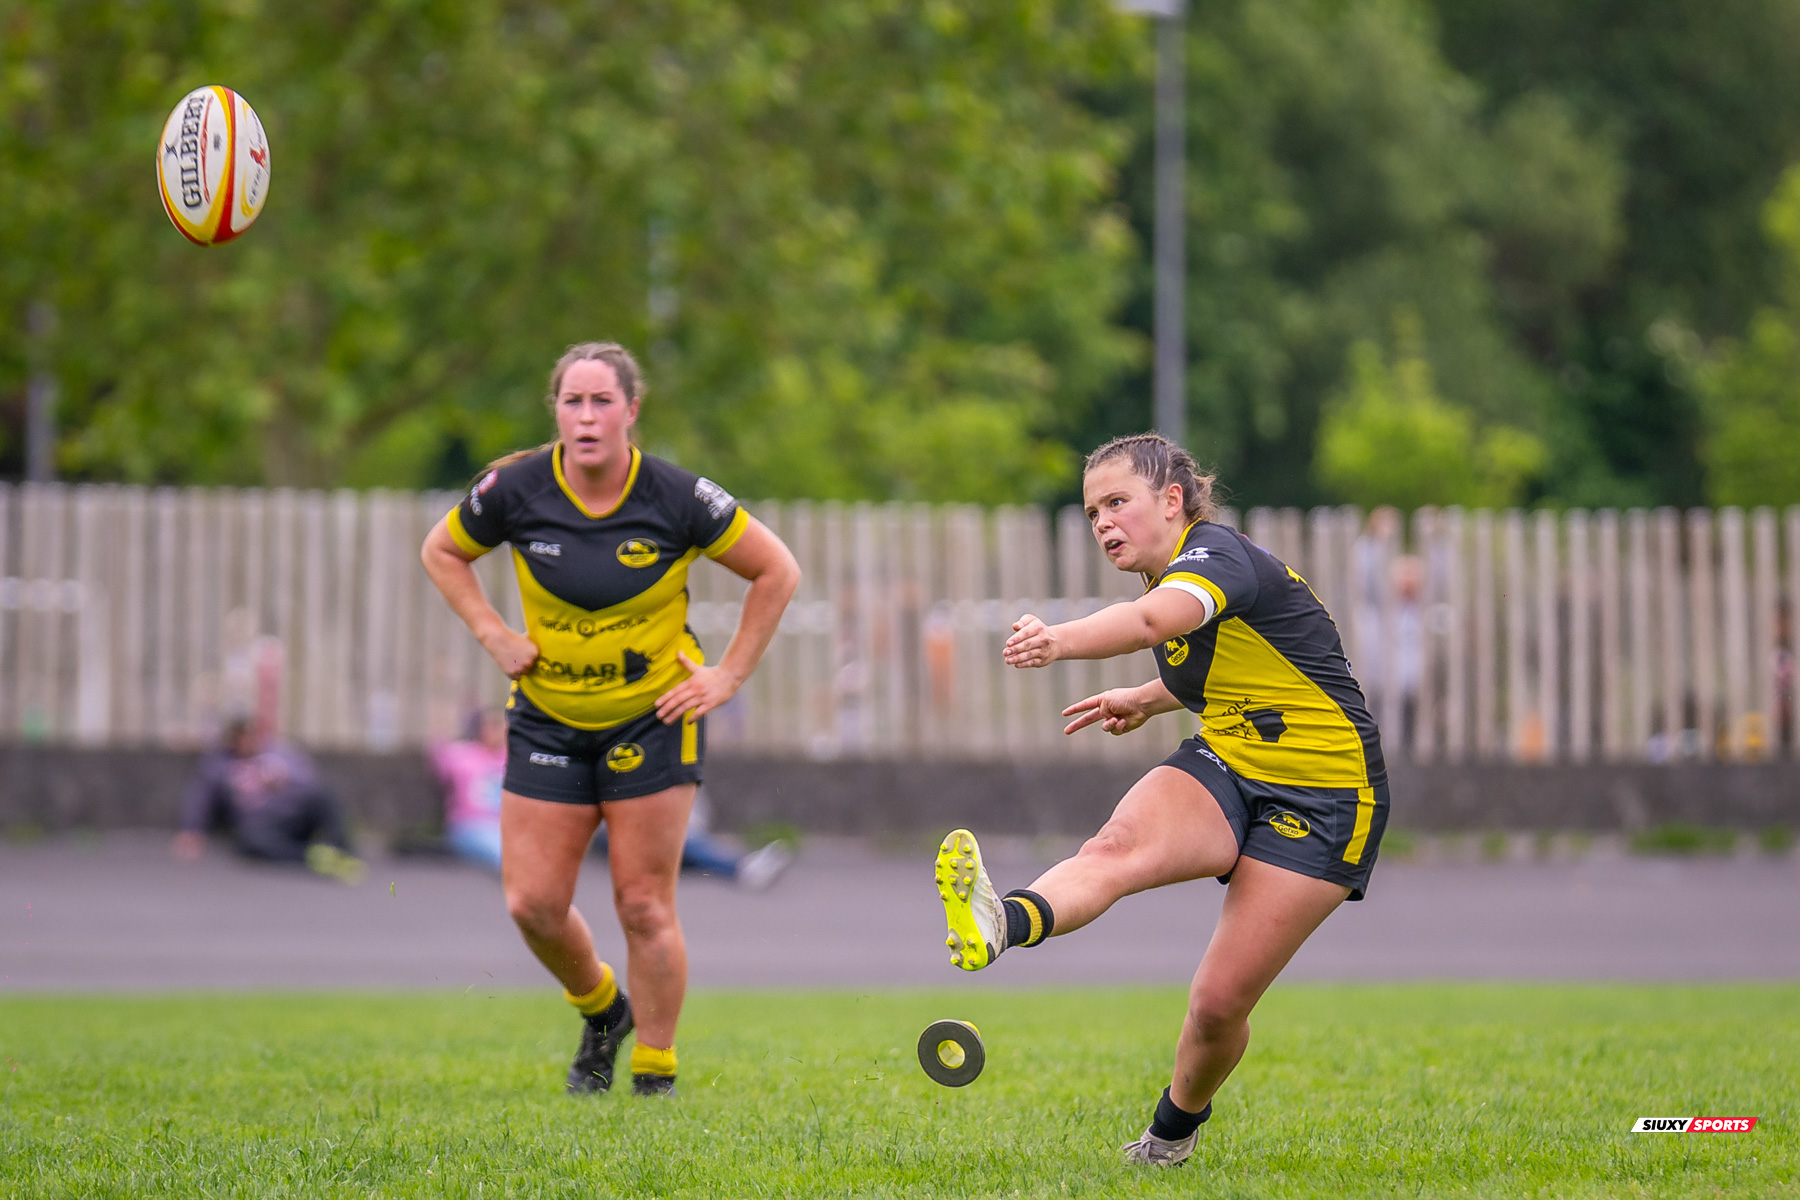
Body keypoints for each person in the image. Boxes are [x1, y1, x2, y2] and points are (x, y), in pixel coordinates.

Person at [935, 433, 1387, 1166]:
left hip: (1325, 795)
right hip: (1230, 760)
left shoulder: (1215, 557)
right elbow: (1217, 664)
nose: (1104, 522)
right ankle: (1001, 921)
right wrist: (1149, 698)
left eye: (1118, 502)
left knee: (1215, 1007)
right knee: (1113, 850)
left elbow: (1155, 624)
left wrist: (1057, 640)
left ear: (1173, 501)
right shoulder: (1170, 580)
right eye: (1091, 513)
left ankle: (1168, 1139)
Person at [420, 341, 800, 1099]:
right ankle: (603, 1010)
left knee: (641, 902)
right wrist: (494, 634)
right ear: (555, 411)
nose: (587, 416)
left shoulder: (677, 496)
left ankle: (655, 1074)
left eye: (602, 401)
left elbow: (776, 570)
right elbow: (442, 551)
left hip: (652, 718)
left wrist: (728, 675)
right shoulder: (515, 489)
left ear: (632, 409)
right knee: (532, 904)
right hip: (547, 719)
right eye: (572, 401)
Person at [172, 714, 366, 884]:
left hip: (295, 814)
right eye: (241, 737)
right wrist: (192, 830)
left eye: (250, 735)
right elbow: (200, 797)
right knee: (250, 841)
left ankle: (343, 852)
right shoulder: (219, 765)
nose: (246, 742)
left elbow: (311, 780)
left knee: (325, 794)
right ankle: (313, 857)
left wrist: (282, 776)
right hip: (261, 824)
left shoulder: (279, 752)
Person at [591, 786, 794, 891]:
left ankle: (740, 866)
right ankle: (741, 868)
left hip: (656, 835)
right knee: (681, 845)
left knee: (684, 846)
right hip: (613, 834)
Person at [430, 709, 508, 871]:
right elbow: (437, 746)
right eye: (493, 725)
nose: (499, 730)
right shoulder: (462, 755)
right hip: (470, 826)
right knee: (500, 850)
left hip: (505, 826)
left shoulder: (513, 757)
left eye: (502, 725)